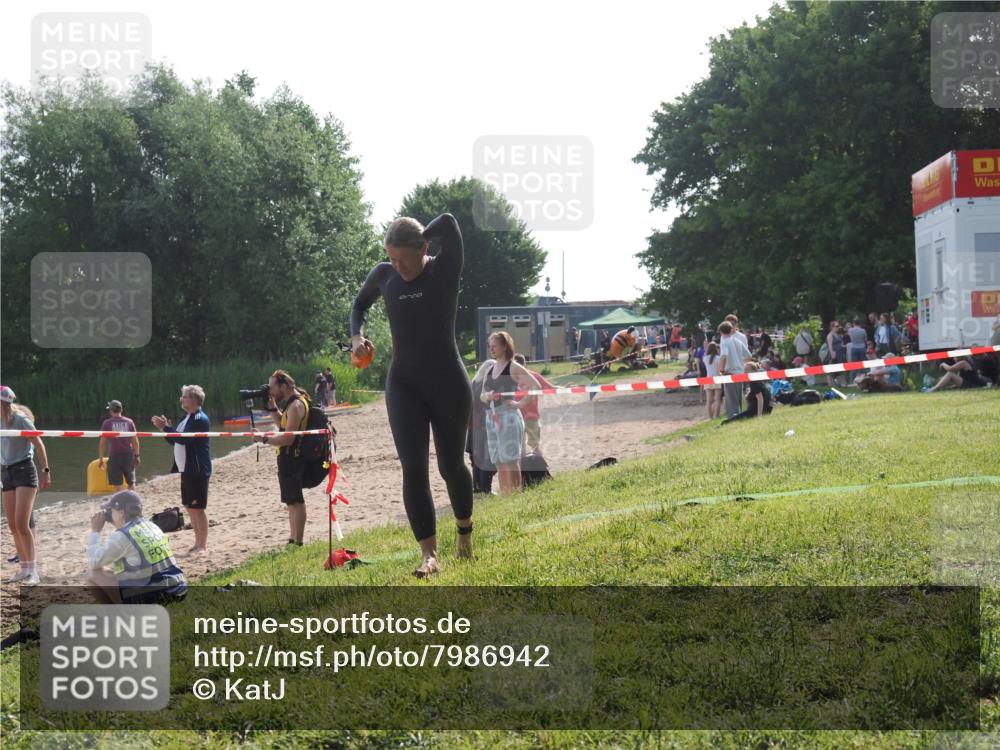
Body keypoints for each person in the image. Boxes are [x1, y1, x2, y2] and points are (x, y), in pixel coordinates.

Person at [350, 212, 475, 577]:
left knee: (451, 466)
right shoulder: (384, 275)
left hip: (448, 381)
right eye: (391, 258)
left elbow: (450, 222)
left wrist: (422, 234)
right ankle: (429, 555)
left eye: (403, 258)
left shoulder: (443, 269)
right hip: (404, 384)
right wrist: (357, 337)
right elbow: (359, 305)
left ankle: (464, 535)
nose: (397, 266)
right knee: (414, 468)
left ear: (423, 249)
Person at [86, 490, 187, 605]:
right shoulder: (152, 526)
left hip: (155, 596)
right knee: (116, 570)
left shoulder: (123, 535)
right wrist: (116, 521)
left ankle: (119, 614)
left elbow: (93, 562)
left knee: (93, 574)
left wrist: (95, 531)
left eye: (111, 511)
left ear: (121, 512)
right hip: (178, 589)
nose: (109, 514)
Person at [252, 370, 311, 546]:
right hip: (286, 457)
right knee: (290, 502)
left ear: (284, 386)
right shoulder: (292, 403)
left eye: (272, 387)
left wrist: (264, 439)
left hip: (293, 457)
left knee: (296, 501)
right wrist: (272, 407)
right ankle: (292, 540)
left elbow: (288, 438)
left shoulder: (296, 405)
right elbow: (282, 425)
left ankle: (298, 542)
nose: (270, 391)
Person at [151, 385, 211, 556]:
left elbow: (184, 439)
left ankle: (202, 545)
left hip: (197, 469)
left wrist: (166, 428)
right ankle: (197, 542)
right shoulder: (186, 418)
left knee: (198, 507)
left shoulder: (199, 418)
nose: (181, 399)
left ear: (194, 399)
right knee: (189, 506)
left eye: (184, 396)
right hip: (186, 468)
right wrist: (165, 429)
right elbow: (175, 441)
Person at [481, 332, 541, 495]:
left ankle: (515, 495)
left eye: (494, 345)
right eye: (490, 346)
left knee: (510, 459)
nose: (491, 348)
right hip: (491, 416)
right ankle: (505, 494)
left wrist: (521, 403)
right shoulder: (490, 369)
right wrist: (487, 396)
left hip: (508, 416)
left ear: (504, 346)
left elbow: (536, 385)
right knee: (498, 460)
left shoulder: (513, 366)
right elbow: (482, 395)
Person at [1, 386, 49, 585]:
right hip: (6, 472)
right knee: (13, 525)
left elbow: (39, 443)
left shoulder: (20, 419)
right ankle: (24, 568)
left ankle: (33, 571)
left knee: (22, 523)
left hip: (24, 470)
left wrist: (46, 470)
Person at [513, 353, 554, 455]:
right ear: (525, 363)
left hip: (527, 415)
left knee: (529, 446)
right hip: (519, 415)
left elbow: (550, 387)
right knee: (527, 446)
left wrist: (566, 388)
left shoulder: (533, 376)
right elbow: (551, 388)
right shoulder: (510, 377)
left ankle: (535, 463)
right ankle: (526, 463)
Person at [468, 359, 497, 495]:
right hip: (483, 423)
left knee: (477, 457)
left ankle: (477, 487)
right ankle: (486, 489)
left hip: (473, 424)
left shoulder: (473, 383)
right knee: (487, 457)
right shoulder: (486, 385)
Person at [98, 400, 140, 492]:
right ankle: (132, 499)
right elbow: (135, 441)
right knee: (131, 483)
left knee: (117, 485)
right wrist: (137, 455)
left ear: (111, 411)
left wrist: (101, 458)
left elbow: (102, 443)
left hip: (114, 456)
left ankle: (121, 500)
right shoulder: (129, 422)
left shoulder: (107, 423)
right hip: (128, 455)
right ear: (121, 410)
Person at [718, 321, 752, 419]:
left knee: (731, 400)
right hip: (740, 372)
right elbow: (749, 355)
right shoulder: (738, 341)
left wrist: (721, 370)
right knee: (738, 398)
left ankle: (733, 418)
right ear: (731, 330)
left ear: (721, 332)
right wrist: (740, 363)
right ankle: (739, 416)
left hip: (730, 373)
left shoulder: (724, 342)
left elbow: (723, 356)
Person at [924, 357, 989, 392]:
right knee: (946, 377)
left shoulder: (963, 363)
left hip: (973, 385)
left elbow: (950, 369)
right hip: (970, 384)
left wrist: (943, 364)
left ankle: (933, 389)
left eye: (954, 357)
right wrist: (948, 386)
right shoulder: (962, 364)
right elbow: (958, 380)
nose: (953, 358)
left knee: (950, 374)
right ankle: (934, 387)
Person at [702, 341, 723, 419]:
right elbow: (720, 369)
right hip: (717, 378)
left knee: (709, 400)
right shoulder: (718, 358)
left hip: (708, 379)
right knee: (717, 399)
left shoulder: (705, 358)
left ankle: (710, 417)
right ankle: (716, 415)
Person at [825, 321, 847, 388]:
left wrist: (846, 346)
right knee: (831, 370)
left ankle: (842, 384)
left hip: (840, 354)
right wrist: (832, 355)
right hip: (834, 354)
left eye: (838, 326)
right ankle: (831, 384)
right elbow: (830, 346)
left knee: (840, 369)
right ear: (832, 327)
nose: (838, 327)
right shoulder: (830, 335)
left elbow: (841, 344)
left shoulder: (838, 335)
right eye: (836, 326)